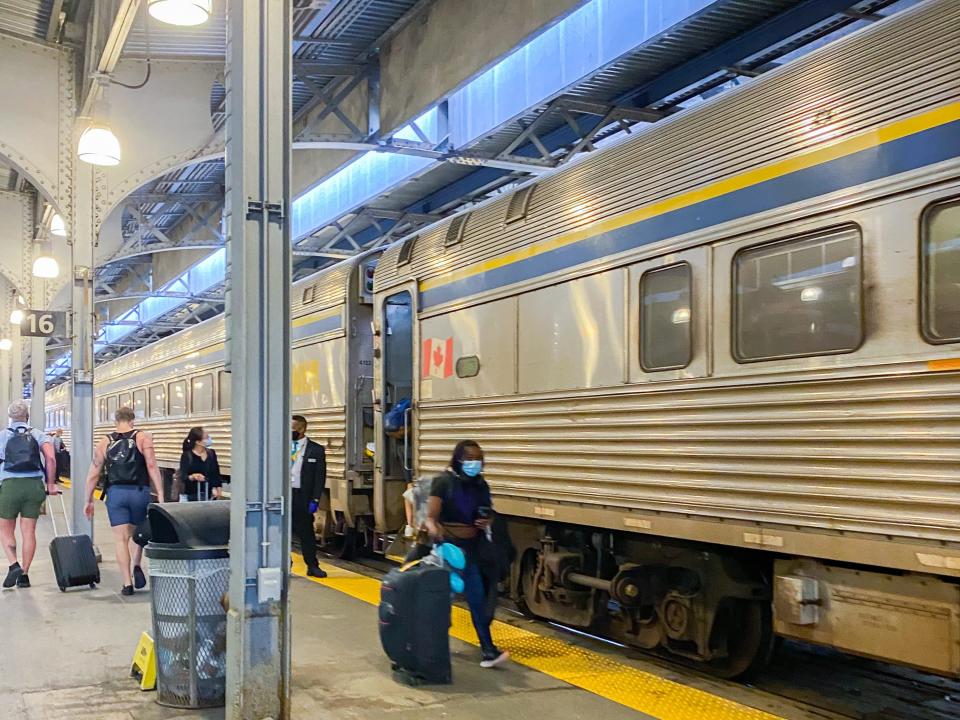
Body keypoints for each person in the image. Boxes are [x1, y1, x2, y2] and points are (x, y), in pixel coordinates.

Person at [425, 440, 510, 669]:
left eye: (479, 458)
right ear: (459, 459)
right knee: (442, 602)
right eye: (470, 458)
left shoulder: (481, 485)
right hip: (449, 549)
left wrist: (487, 520)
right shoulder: (443, 482)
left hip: (473, 549)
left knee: (478, 600)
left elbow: (489, 512)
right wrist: (435, 531)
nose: (475, 463)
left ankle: (488, 651)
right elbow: (431, 516)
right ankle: (432, 649)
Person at [84, 406, 165, 596]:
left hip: (116, 493)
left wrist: (87, 500)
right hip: (139, 492)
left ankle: (127, 583)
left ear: (116, 421)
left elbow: (94, 473)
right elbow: (152, 465)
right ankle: (137, 564)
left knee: (120, 539)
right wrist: (160, 493)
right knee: (139, 533)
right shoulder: (143, 437)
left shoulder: (105, 441)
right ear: (132, 420)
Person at [0, 401, 57, 589]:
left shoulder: (3, 436)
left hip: (9, 486)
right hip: (33, 486)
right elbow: (50, 458)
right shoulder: (38, 434)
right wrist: (50, 483)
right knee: (28, 531)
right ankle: (24, 574)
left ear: (11, 417)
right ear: (27, 415)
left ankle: (13, 564)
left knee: (6, 529)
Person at [291, 414, 327, 578]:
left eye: (294, 429)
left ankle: (312, 565)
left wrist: (315, 499)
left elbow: (319, 477)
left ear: (303, 429)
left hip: (302, 496)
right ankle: (285, 564)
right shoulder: (280, 446)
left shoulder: (316, 450)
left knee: (306, 532)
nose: (291, 432)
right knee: (281, 532)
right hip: (283, 494)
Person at [178, 427, 222, 501]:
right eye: (207, 437)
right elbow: (183, 476)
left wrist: (218, 489)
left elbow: (216, 473)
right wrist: (193, 476)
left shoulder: (211, 453)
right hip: (190, 496)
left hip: (208, 495)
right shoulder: (187, 455)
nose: (209, 439)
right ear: (198, 442)